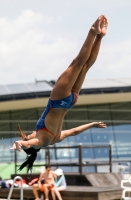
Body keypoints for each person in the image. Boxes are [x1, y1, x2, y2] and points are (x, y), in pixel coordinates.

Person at [10, 15, 108, 171]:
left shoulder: (54, 139)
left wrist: (93, 124)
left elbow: (74, 132)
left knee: (85, 66)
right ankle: (92, 32)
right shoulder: (40, 140)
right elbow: (28, 143)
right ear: (33, 147)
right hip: (58, 100)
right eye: (28, 137)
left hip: (71, 101)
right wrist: (19, 143)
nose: (28, 135)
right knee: (77, 63)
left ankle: (100, 36)